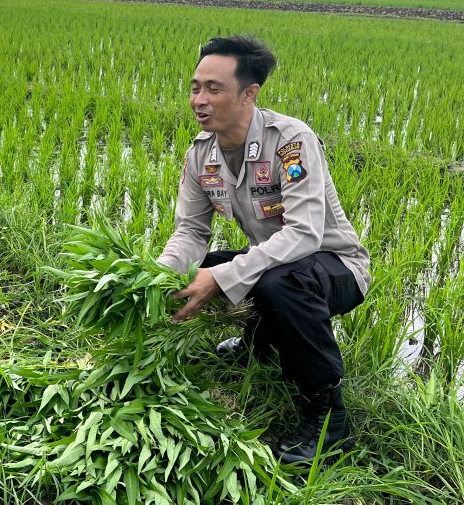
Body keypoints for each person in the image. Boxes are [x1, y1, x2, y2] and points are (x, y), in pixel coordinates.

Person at [158, 35, 370, 465]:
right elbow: (191, 232)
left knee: (277, 282)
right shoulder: (201, 155)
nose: (199, 100)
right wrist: (156, 276)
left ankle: (328, 419)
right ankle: (258, 343)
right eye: (195, 88)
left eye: (213, 89)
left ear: (249, 94)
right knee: (202, 266)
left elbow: (304, 235)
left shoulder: (290, 141)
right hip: (277, 264)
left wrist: (222, 278)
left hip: (336, 267)